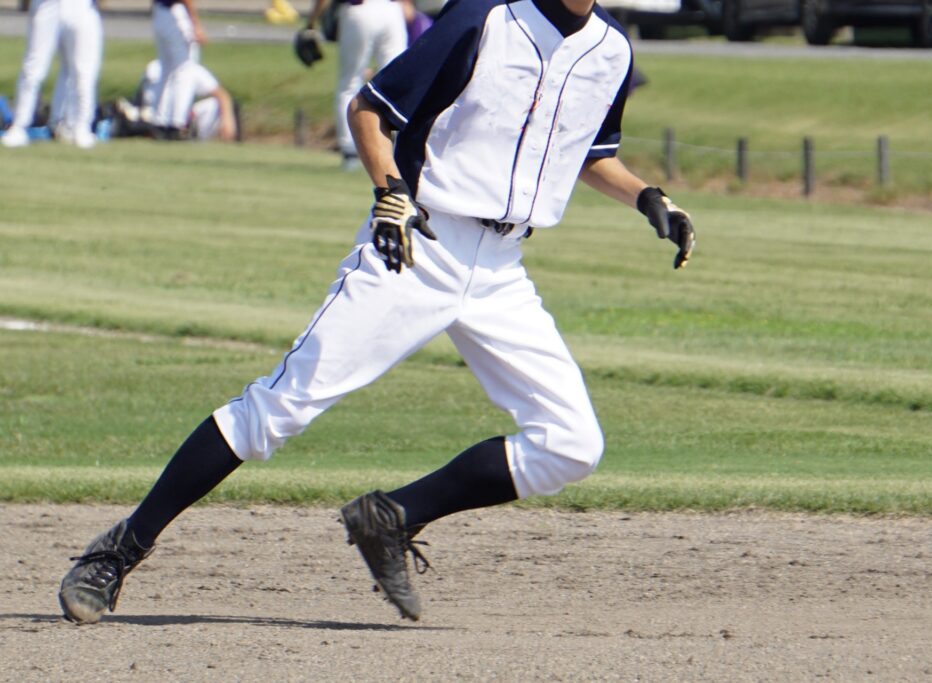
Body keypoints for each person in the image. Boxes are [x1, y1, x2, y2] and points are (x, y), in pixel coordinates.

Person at [57, 0, 696, 625]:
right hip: (419, 243)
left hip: (502, 270)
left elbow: (588, 152)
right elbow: (369, 109)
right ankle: (118, 551)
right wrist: (390, 192)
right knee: (280, 408)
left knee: (572, 443)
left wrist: (647, 197)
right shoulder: (481, 18)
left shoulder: (611, 48)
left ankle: (391, 517)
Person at [300, 0, 407, 169]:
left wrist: (310, 24)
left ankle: (350, 152)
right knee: (398, 83)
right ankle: (401, 147)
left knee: (349, 84)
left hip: (360, 9)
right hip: (392, 11)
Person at [1, 0, 102, 149]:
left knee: (83, 71)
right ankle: (19, 126)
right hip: (47, 4)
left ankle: (80, 126)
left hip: (81, 6)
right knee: (33, 68)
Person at [113, 59, 237, 141]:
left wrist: (227, 120)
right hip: (154, 116)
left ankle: (189, 137)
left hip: (187, 120)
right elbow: (141, 100)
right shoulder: (154, 68)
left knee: (216, 106)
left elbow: (223, 96)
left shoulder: (191, 68)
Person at [151, 0, 206, 140]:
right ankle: (178, 124)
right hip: (176, 14)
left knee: (166, 71)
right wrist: (196, 24)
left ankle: (160, 121)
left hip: (159, 12)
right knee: (185, 71)